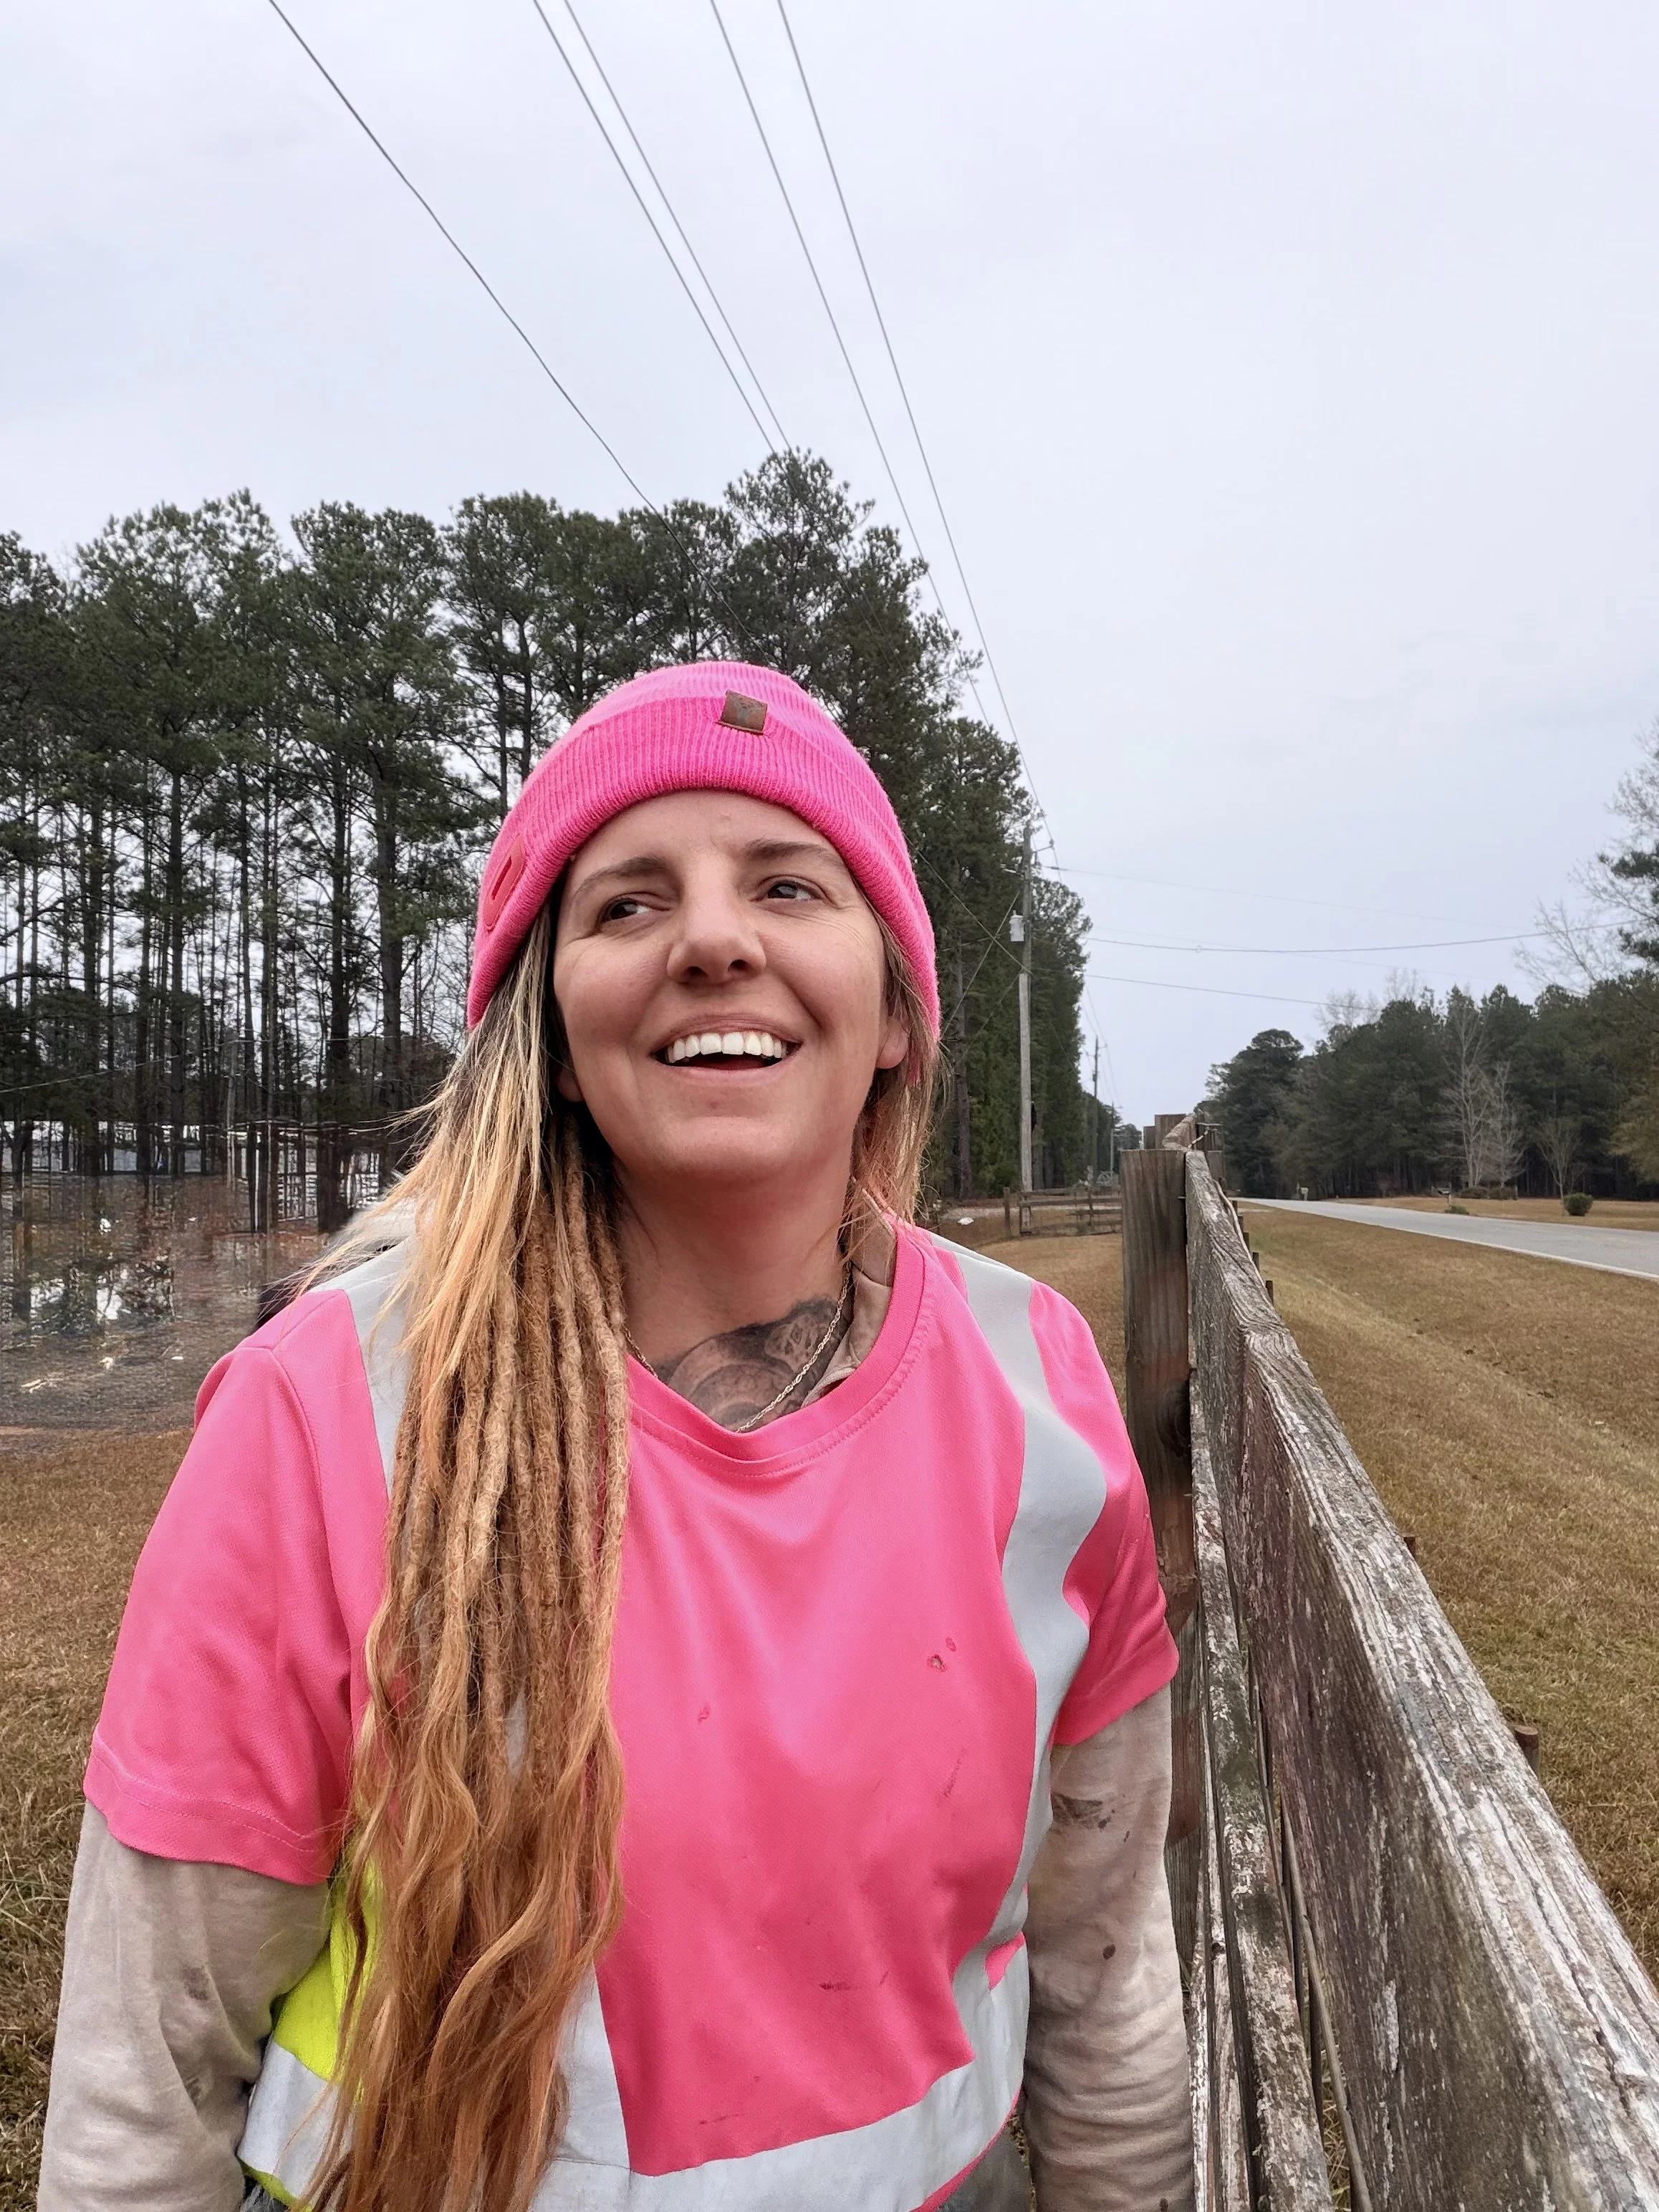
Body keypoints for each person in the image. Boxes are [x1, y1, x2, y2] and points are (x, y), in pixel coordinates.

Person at [39, 663, 1194, 2212]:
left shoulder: (1037, 1389)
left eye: (787, 882)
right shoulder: (328, 1407)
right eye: (628, 903)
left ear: (899, 1013)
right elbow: (150, 2066)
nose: (716, 937)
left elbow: (1107, 1975)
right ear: (555, 1032)